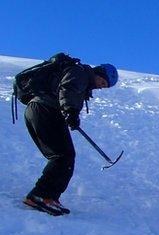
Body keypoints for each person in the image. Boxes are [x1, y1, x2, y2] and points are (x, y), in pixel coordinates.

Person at [20, 54, 118, 216]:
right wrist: (70, 112)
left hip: (40, 109)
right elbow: (68, 88)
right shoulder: (80, 73)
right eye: (102, 82)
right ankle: (40, 195)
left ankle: (49, 196)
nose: (101, 87)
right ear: (99, 73)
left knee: (64, 156)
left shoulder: (82, 77)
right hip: (44, 109)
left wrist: (69, 114)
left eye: (104, 86)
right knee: (63, 156)